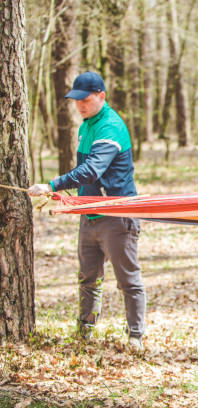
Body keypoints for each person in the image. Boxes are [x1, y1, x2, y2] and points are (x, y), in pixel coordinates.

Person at [29, 71, 146, 350]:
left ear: (101, 96)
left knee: (127, 279)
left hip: (117, 215)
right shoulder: (85, 126)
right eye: (76, 100)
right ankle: (85, 331)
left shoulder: (111, 127)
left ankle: (136, 336)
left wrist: (52, 184)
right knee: (88, 278)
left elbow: (92, 169)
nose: (79, 104)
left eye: (85, 99)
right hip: (89, 215)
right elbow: (86, 173)